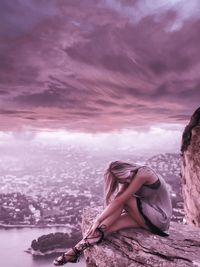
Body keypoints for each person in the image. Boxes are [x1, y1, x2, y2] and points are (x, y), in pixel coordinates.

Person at [53, 160, 172, 265]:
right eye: (124, 181)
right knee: (105, 228)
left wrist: (97, 219)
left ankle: (74, 251)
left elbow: (120, 200)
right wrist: (98, 223)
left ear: (128, 169)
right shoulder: (126, 178)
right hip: (146, 218)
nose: (129, 181)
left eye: (128, 177)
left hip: (160, 219)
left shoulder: (143, 173)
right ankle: (74, 251)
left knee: (124, 200)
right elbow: (118, 198)